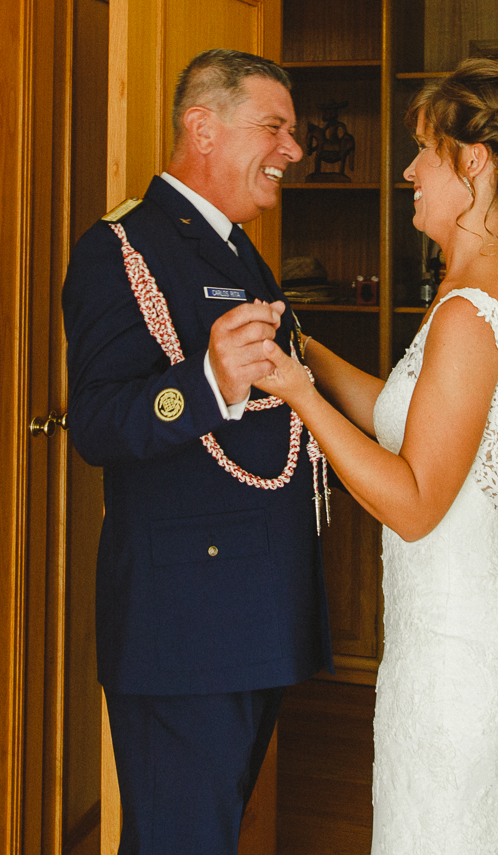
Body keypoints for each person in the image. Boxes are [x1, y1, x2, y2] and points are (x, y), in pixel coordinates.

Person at [254, 58, 498, 853]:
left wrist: (298, 394)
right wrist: (302, 346)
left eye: (423, 149)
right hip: (480, 618)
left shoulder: (467, 310)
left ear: (473, 162)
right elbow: (413, 417)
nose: (409, 170)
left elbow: (416, 502)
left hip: (460, 652)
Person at [62, 49, 331, 854]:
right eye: (274, 127)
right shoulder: (122, 247)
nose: (292, 150)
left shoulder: (234, 247)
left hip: (249, 603)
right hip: (185, 618)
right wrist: (208, 382)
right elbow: (100, 422)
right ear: (202, 127)